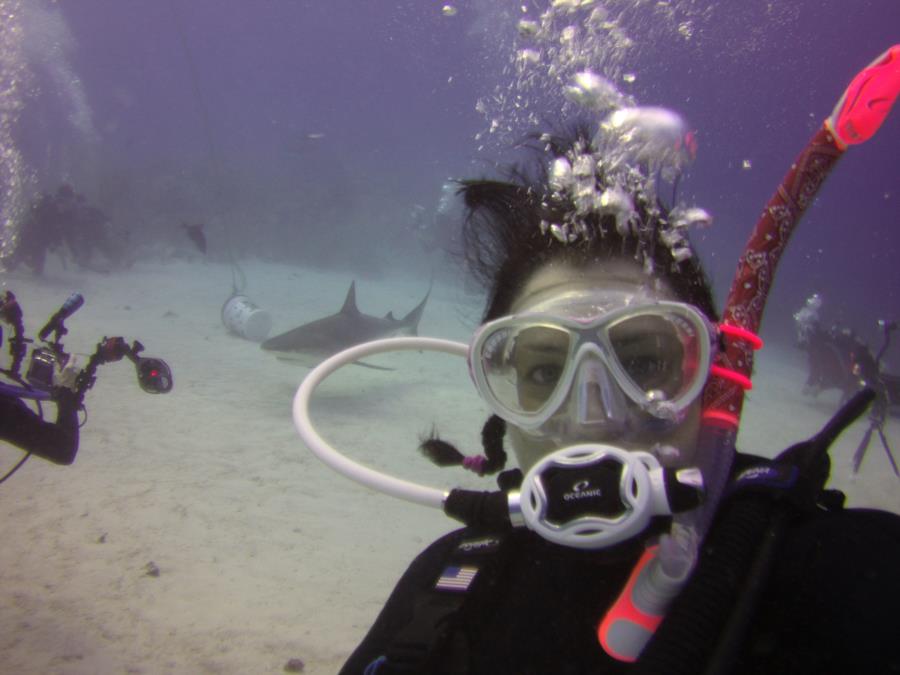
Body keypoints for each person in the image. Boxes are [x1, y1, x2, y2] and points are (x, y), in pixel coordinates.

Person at [338, 123, 900, 674]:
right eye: (543, 370)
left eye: (644, 363)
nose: (595, 419)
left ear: (712, 376)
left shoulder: (852, 570)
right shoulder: (447, 588)